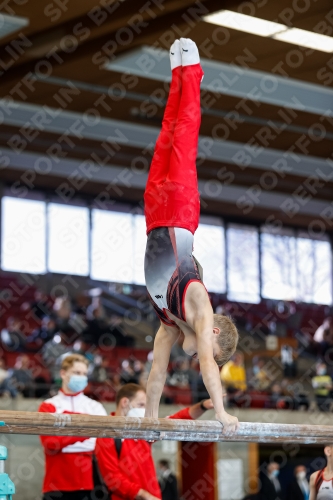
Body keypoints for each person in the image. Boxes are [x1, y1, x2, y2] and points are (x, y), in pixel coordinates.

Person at [143, 37, 239, 434]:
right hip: (180, 212)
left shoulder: (168, 323)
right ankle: (191, 74)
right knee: (185, 134)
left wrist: (149, 418)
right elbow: (204, 367)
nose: (203, 355)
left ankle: (174, 75)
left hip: (153, 214)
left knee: (167, 131)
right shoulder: (199, 309)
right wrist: (221, 411)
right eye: (212, 352)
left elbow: (157, 371)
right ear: (213, 331)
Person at [95, 383, 214, 500]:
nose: (145, 411)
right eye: (141, 405)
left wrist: (202, 406)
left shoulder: (143, 430)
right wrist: (144, 495)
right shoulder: (107, 434)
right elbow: (112, 478)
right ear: (125, 402)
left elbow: (176, 420)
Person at [39, 354, 107, 500]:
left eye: (84, 374)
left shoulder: (95, 407)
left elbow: (101, 444)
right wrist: (88, 432)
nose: (81, 377)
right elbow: (50, 444)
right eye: (77, 373)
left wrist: (64, 437)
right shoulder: (48, 406)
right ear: (63, 373)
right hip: (56, 483)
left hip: (89, 483)